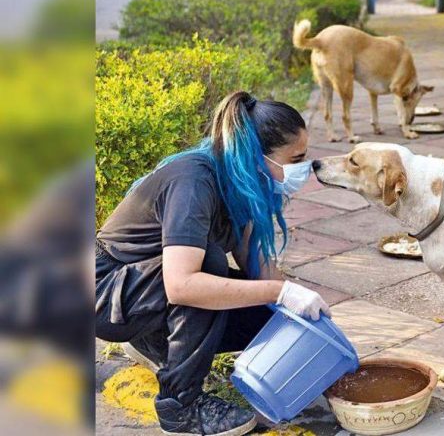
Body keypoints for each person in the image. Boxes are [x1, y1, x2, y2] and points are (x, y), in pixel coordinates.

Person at [95, 91, 330, 436]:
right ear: (256, 154)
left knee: (269, 316)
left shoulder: (241, 182)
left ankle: (154, 343)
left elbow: (258, 267)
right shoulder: (193, 181)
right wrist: (281, 291)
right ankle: (181, 407)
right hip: (104, 294)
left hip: (142, 290)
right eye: (296, 159)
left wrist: (303, 317)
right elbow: (182, 284)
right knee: (207, 266)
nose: (303, 169)